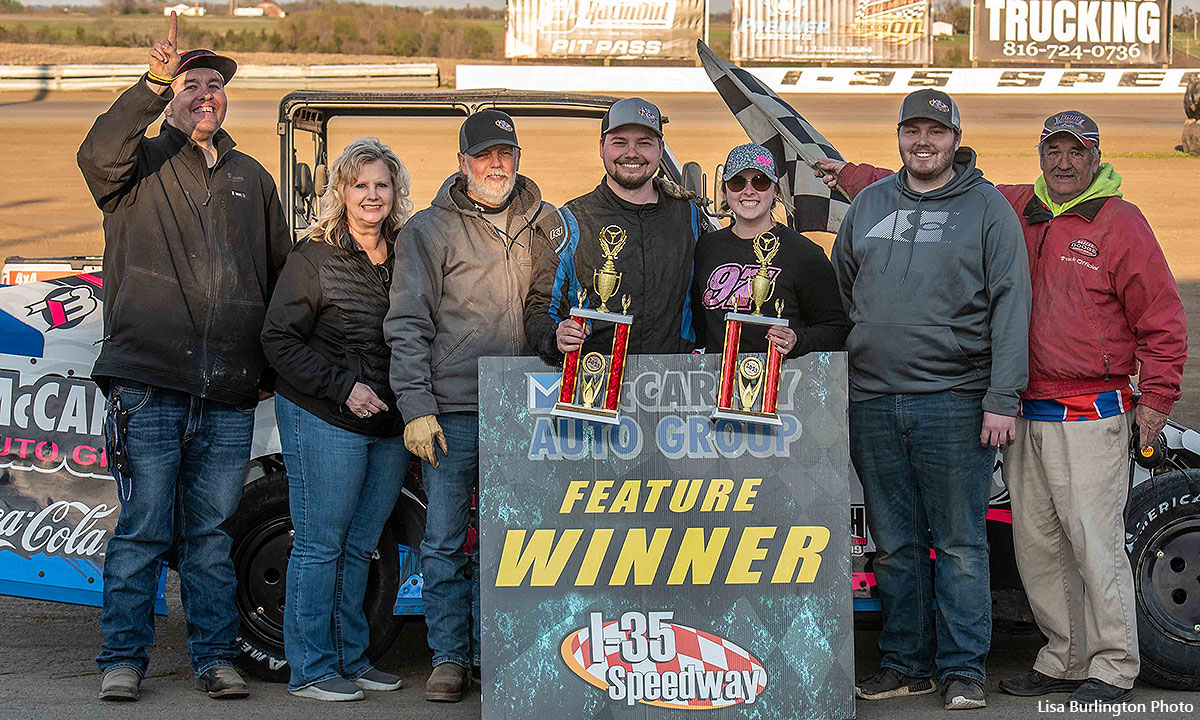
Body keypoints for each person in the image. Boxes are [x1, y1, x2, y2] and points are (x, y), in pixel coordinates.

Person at [817, 110, 1187, 704]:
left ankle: (1113, 666)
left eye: (1077, 152)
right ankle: (1063, 657)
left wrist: (1158, 399)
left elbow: (1163, 320)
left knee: (1093, 542)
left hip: (1091, 408)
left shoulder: (1121, 223)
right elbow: (924, 179)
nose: (1064, 163)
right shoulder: (1017, 204)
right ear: (1041, 154)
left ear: (1096, 156)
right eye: (1054, 151)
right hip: (1021, 409)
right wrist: (849, 174)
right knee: (1037, 548)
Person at [77, 13, 290, 702]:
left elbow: (280, 276)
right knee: (142, 531)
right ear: (169, 93)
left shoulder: (252, 178)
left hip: (228, 394)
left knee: (210, 537)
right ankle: (123, 660)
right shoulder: (136, 165)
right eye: (190, 83)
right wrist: (148, 82)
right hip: (149, 383)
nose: (205, 94)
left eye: (215, 85)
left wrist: (267, 369)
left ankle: (214, 658)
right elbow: (97, 151)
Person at [828, 89, 1031, 710]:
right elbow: (845, 288)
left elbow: (1011, 304)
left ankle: (963, 668)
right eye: (912, 131)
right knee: (893, 543)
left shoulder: (988, 209)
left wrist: (1003, 396)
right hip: (876, 401)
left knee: (961, 544)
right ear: (899, 137)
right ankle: (905, 662)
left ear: (955, 138)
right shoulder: (868, 204)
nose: (923, 142)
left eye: (935, 133)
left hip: (956, 401)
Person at [385, 110, 552, 702]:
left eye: (505, 153)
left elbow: (546, 308)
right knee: (446, 539)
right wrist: (415, 407)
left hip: (527, 408)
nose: (496, 165)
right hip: (453, 407)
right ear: (462, 163)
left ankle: (500, 653)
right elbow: (406, 323)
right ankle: (451, 656)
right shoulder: (427, 231)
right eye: (483, 156)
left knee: (518, 540)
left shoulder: (548, 224)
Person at [260, 138, 412, 702]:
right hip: (324, 416)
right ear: (340, 193)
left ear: (395, 193)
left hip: (390, 424)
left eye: (381, 185)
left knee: (361, 545)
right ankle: (312, 669)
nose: (371, 195)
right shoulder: (314, 257)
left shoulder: (405, 253)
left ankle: (352, 658)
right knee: (321, 544)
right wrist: (345, 389)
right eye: (360, 184)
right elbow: (278, 339)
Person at [524, 97, 706, 362]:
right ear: (601, 148)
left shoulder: (688, 216)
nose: (631, 153)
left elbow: (709, 303)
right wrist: (555, 336)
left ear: (660, 148)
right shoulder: (568, 222)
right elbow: (540, 308)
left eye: (644, 143)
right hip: (593, 388)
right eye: (619, 142)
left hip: (674, 387)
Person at [692, 143, 849, 359]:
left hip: (782, 385)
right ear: (725, 189)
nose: (749, 191)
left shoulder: (806, 254)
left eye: (760, 182)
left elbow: (836, 329)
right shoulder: (706, 247)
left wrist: (798, 340)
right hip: (718, 384)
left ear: (775, 190)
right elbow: (698, 325)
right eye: (738, 182)